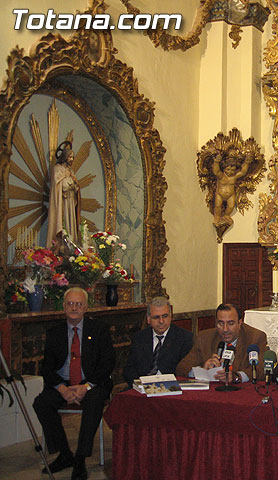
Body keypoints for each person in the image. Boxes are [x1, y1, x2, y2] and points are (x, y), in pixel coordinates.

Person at [33, 287, 115, 480]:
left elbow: (108, 363)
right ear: (64, 307)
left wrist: (85, 387)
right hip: (64, 383)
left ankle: (80, 458)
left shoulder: (99, 330)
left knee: (94, 402)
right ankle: (64, 454)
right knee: (41, 403)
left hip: (92, 383)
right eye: (70, 304)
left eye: (79, 304)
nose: (74, 308)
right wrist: (61, 388)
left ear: (86, 307)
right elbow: (47, 369)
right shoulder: (54, 333)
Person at [176, 303, 267, 383]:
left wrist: (237, 377)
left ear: (240, 323)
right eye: (221, 323)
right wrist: (203, 370)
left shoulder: (255, 337)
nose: (225, 329)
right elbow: (181, 368)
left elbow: (261, 370)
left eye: (230, 323)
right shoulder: (205, 338)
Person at [123, 297, 193, 387]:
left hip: (171, 389)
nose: (161, 321)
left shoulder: (184, 338)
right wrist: (139, 384)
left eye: (165, 316)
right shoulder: (139, 338)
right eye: (156, 317)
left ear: (171, 316)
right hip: (142, 387)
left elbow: (185, 371)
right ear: (148, 319)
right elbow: (129, 369)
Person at [47, 140, 81, 247]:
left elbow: (75, 187)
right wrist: (70, 183)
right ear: (65, 157)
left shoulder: (71, 171)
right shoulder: (57, 169)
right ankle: (61, 247)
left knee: (71, 224)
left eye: (73, 157)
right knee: (64, 222)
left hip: (71, 201)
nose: (72, 160)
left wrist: (75, 185)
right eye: (70, 157)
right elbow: (60, 185)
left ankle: (71, 246)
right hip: (63, 201)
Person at [212, 151, 251, 227]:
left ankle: (226, 215)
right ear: (224, 169)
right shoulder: (221, 176)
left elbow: (242, 172)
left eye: (233, 170)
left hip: (231, 195)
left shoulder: (234, 177)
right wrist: (216, 162)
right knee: (217, 206)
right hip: (220, 194)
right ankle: (217, 217)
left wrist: (246, 163)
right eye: (228, 170)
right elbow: (216, 171)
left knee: (231, 206)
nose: (230, 172)